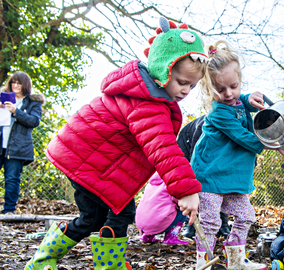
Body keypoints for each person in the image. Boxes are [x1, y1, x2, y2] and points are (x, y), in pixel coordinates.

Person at [24, 17, 208, 270]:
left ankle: (65, 260)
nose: (186, 90)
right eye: (181, 82)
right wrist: (186, 190)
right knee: (112, 215)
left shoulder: (146, 94)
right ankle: (70, 263)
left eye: (192, 85)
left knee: (96, 217)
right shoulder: (148, 102)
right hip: (86, 162)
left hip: (92, 162)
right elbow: (162, 148)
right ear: (162, 68)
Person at [190, 40, 283, 270]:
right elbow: (244, 137)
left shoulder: (235, 99)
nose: (229, 93)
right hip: (210, 177)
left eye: (234, 86)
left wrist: (249, 97)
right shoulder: (218, 111)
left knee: (247, 216)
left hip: (231, 179)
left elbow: (240, 101)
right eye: (220, 90)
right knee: (210, 223)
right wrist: (271, 142)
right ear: (208, 89)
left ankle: (236, 260)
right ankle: (204, 263)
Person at [176, 115, 231, 239]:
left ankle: (223, 225)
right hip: (189, 148)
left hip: (220, 160)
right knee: (196, 185)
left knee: (222, 186)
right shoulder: (206, 126)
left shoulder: (238, 127)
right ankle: (191, 225)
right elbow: (195, 161)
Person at [0, 72, 45, 214]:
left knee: (12, 179)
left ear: (25, 85)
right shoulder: (2, 98)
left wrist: (16, 111)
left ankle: (8, 211)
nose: (15, 85)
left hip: (17, 147)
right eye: (13, 82)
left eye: (19, 83)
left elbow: (34, 121)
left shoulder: (32, 102)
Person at [135, 172, 190, 246]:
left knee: (156, 208)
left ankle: (148, 236)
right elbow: (179, 200)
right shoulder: (172, 182)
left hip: (142, 225)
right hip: (158, 225)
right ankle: (170, 237)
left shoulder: (151, 183)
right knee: (183, 209)